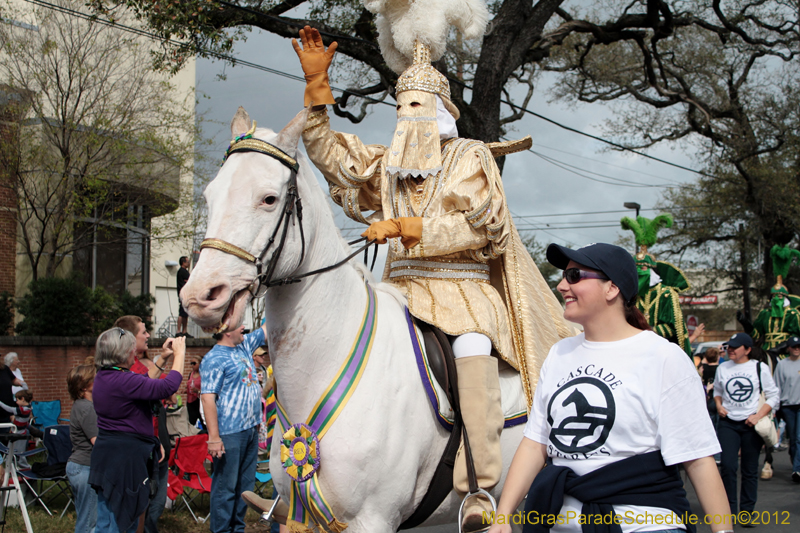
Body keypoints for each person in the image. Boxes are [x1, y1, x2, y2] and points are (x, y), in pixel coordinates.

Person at [292, 25, 573, 526]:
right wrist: (317, 91)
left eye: (416, 106)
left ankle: (479, 487)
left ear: (442, 110)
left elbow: (483, 226)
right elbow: (335, 160)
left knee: (471, 348)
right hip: (399, 289)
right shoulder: (389, 164)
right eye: (400, 107)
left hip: (462, 292)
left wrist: (409, 227)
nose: (406, 115)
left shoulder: (469, 156)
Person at [489, 242, 730, 533]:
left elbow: (698, 458)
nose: (562, 286)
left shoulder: (663, 356)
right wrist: (502, 516)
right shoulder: (559, 353)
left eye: (574, 276)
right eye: (564, 276)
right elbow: (535, 443)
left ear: (612, 288)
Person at [89, 329, 185, 533]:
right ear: (123, 352)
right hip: (125, 461)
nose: (135, 352)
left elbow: (143, 382)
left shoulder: (105, 376)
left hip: (108, 457)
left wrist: (163, 358)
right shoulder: (123, 380)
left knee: (106, 519)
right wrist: (180, 353)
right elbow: (168, 387)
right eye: (132, 348)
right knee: (122, 520)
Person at [201, 322, 266, 533]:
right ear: (227, 331)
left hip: (251, 430)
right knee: (225, 488)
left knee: (245, 488)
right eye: (239, 324)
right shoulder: (213, 358)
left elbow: (267, 328)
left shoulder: (244, 345)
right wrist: (214, 437)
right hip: (229, 433)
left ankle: (237, 528)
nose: (244, 327)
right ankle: (221, 530)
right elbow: (208, 398)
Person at [114, 315, 174, 533]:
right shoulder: (124, 370)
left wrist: (164, 358)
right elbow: (157, 386)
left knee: (153, 503)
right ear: (131, 338)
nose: (148, 335)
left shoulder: (138, 366)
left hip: (153, 442)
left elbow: (149, 381)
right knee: (140, 507)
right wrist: (178, 357)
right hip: (138, 447)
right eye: (144, 331)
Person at [714, 332, 779, 521]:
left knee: (749, 469)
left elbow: (773, 396)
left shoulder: (759, 367)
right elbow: (717, 390)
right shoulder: (723, 368)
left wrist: (758, 416)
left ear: (748, 350)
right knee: (728, 466)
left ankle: (747, 512)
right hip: (728, 423)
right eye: (729, 346)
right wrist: (719, 406)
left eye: (736, 347)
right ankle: (729, 511)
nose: (731, 350)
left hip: (751, 424)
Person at [621, 213, 693, 357]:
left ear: (651, 270)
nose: (639, 273)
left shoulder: (666, 294)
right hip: (633, 349)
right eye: (636, 269)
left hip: (660, 350)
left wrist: (648, 331)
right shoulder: (628, 295)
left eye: (642, 269)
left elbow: (673, 328)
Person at [67, 364, 98, 533]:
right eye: (95, 378)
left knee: (85, 519)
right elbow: (98, 442)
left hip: (80, 467)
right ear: (84, 386)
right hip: (86, 467)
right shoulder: (87, 408)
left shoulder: (81, 405)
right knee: (89, 524)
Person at [774, 335, 800, 482]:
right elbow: (777, 386)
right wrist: (775, 408)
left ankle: (797, 469)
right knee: (793, 438)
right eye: (794, 347)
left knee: (799, 437)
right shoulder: (782, 365)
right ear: (788, 348)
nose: (797, 349)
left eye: (799, 347)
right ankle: (795, 459)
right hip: (788, 406)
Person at [0, 355, 25, 434]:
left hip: (6, 413)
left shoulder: (4, 369)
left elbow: (13, 380)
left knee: (6, 437)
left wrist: (22, 383)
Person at [186, 356, 202, 426]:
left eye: (194, 363)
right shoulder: (191, 374)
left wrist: (198, 391)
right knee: (190, 422)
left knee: (203, 422)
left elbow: (208, 390)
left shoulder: (204, 375)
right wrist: (185, 390)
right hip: (190, 401)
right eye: (191, 363)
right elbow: (188, 385)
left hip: (199, 401)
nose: (192, 365)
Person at [177, 256, 191, 336]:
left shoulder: (184, 271)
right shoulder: (182, 272)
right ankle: (178, 331)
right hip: (183, 295)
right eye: (187, 261)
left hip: (186, 295)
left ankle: (184, 331)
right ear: (183, 262)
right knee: (182, 313)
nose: (188, 263)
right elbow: (187, 282)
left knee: (185, 313)